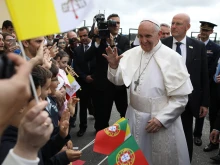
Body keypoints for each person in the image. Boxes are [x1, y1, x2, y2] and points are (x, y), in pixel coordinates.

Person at [104, 19, 193, 165]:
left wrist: (162, 119)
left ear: (159, 35)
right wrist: (114, 67)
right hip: (133, 116)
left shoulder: (173, 58)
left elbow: (181, 98)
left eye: (147, 36)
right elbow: (118, 81)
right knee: (133, 158)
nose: (143, 41)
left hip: (159, 120)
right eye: (140, 36)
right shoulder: (131, 54)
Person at [161, 13, 209, 161]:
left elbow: (203, 75)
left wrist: (204, 103)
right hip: (165, 98)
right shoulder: (162, 44)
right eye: (173, 23)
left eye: (178, 24)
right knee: (164, 134)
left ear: (188, 27)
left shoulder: (198, 46)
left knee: (186, 134)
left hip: (188, 101)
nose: (174, 26)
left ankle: (185, 160)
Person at [85, 13, 130, 132]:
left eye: (118, 23)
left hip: (120, 85)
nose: (116, 25)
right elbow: (86, 57)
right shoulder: (99, 39)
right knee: (102, 116)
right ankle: (101, 140)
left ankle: (125, 138)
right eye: (113, 23)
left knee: (125, 114)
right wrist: (97, 42)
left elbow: (126, 58)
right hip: (103, 85)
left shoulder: (124, 40)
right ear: (106, 25)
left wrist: (112, 44)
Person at [193, 21, 220, 151]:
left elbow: (213, 68)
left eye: (206, 31)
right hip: (190, 82)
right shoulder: (193, 44)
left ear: (211, 32)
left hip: (206, 85)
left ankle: (197, 134)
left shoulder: (215, 48)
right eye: (202, 30)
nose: (203, 32)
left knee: (202, 110)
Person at [73, 27, 96, 137]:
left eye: (85, 35)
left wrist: (93, 76)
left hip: (96, 82)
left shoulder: (96, 47)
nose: (83, 38)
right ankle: (82, 127)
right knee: (83, 106)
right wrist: (84, 76)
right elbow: (76, 67)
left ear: (89, 35)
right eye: (81, 36)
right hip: (83, 82)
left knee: (98, 105)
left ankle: (99, 127)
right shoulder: (77, 50)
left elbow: (101, 64)